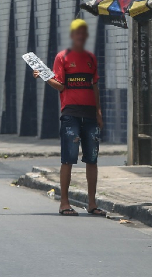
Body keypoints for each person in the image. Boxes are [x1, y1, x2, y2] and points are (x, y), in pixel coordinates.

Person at [33, 19, 105, 217]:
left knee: (92, 160)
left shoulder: (91, 58)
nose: (81, 36)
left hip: (90, 115)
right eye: (77, 33)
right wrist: (45, 77)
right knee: (68, 159)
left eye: (84, 33)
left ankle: (92, 203)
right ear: (72, 36)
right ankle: (64, 203)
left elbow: (95, 86)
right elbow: (61, 85)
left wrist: (99, 112)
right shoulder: (62, 57)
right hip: (70, 115)